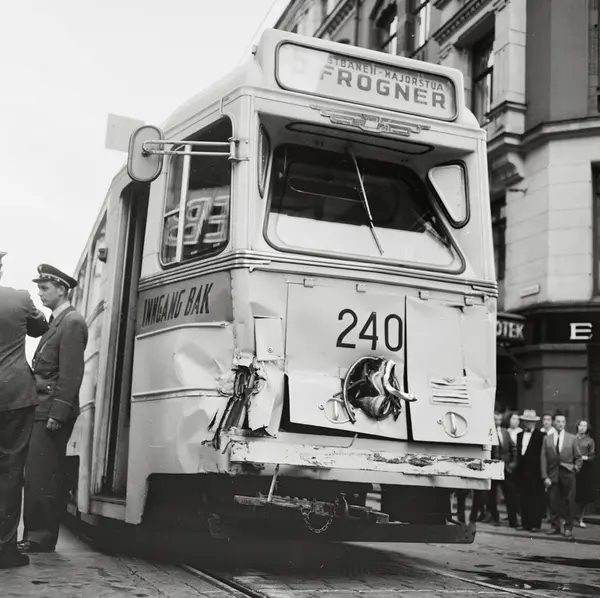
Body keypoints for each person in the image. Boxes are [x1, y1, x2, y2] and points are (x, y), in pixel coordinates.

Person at [18, 264, 88, 554]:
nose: (40, 293)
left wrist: (58, 414)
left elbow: (71, 374)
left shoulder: (71, 322)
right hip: (43, 409)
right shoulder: (58, 321)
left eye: (45, 288)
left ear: (62, 289)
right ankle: (37, 534)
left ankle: (40, 537)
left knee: (42, 475)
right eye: (39, 288)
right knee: (39, 474)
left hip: (50, 412)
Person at [0, 251, 49, 568]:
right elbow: (39, 327)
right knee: (10, 472)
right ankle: (4, 550)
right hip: (13, 395)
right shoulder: (18, 298)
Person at [541, 411, 582, 539]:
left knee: (569, 501)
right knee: (553, 500)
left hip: (568, 473)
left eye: (562, 422)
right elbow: (543, 458)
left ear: (565, 423)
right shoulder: (547, 438)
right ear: (554, 422)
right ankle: (555, 526)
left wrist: (575, 468)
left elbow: (578, 457)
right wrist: (545, 476)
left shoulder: (572, 438)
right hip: (553, 473)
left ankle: (568, 528)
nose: (560, 424)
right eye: (558, 421)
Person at [486, 410, 518, 527]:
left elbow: (513, 449)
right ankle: (495, 518)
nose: (497, 422)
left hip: (505, 468)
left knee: (510, 495)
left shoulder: (505, 432)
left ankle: (513, 521)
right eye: (495, 419)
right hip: (492, 468)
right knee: (491, 496)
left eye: (499, 419)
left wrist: (512, 463)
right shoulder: (488, 432)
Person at [515, 409, 545, 531]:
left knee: (535, 498)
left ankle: (535, 524)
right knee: (523, 498)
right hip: (522, 472)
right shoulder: (519, 435)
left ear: (535, 423)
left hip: (535, 472)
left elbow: (543, 455)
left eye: (531, 422)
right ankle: (525, 523)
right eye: (526, 421)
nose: (528, 423)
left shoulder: (541, 436)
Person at [574, 420, 595, 528]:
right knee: (571, 493)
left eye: (584, 426)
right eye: (580, 425)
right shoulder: (572, 438)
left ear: (587, 428)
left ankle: (580, 518)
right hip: (572, 466)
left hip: (584, 468)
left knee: (583, 494)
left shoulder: (590, 441)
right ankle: (569, 518)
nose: (582, 427)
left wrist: (582, 457)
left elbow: (592, 456)